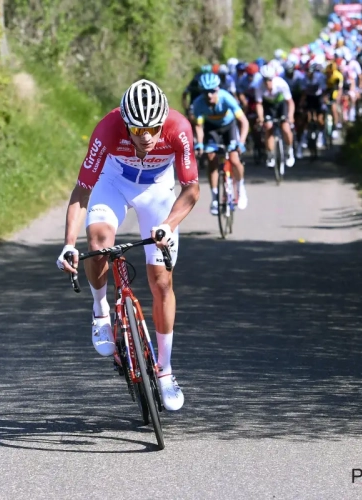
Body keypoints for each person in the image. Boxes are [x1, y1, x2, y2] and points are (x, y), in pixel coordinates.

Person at [56, 79, 199, 412]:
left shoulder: (178, 128)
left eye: (152, 127)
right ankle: (100, 310)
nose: (145, 136)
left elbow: (191, 190)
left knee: (162, 281)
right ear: (125, 122)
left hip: (158, 190)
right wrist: (67, 244)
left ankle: (165, 371)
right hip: (113, 182)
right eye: (137, 128)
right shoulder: (107, 129)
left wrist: (167, 225)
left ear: (163, 120)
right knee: (99, 241)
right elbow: (81, 192)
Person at [190, 72, 249, 215]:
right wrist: (199, 143)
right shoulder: (198, 104)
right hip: (212, 129)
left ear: (217, 89)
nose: (209, 95)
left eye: (212, 91)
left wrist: (241, 142)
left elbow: (244, 122)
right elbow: (198, 126)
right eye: (205, 92)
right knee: (211, 158)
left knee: (234, 158)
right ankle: (215, 198)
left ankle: (241, 189)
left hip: (229, 127)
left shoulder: (226, 98)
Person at [255, 64, 296, 169]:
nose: (267, 82)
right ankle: (270, 154)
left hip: (281, 105)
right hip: (269, 106)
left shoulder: (281, 84)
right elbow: (259, 104)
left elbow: (290, 102)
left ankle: (289, 150)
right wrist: (260, 117)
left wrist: (290, 116)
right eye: (265, 79)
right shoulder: (259, 86)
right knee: (268, 127)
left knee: (285, 127)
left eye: (269, 79)